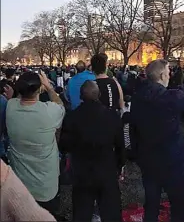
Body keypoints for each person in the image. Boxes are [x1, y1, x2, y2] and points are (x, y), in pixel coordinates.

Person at [130, 59, 184, 222]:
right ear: (161, 75)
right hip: (170, 159)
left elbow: (133, 128)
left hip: (148, 158)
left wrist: (137, 153)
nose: (170, 75)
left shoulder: (138, 97)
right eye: (168, 72)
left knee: (151, 202)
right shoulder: (168, 97)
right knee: (179, 202)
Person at [59, 80, 125, 222]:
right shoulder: (111, 116)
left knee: (82, 214)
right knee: (111, 213)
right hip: (106, 171)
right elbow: (120, 145)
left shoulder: (72, 117)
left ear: (81, 96)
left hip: (82, 173)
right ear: (99, 95)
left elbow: (64, 146)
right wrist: (119, 166)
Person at [6, 71, 65, 218]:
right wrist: (50, 88)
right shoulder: (49, 111)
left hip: (20, 182)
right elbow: (60, 105)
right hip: (45, 184)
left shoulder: (10, 107)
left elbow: (17, 99)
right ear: (40, 89)